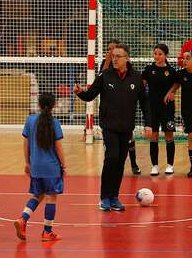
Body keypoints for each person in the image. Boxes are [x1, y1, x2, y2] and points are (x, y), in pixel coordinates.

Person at [74, 44, 152, 211]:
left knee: (120, 162)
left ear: (127, 58)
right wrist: (80, 92)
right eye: (113, 56)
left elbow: (145, 103)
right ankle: (104, 197)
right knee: (112, 158)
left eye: (118, 56)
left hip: (126, 127)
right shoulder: (105, 75)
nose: (114, 59)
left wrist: (149, 124)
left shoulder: (136, 77)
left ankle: (114, 197)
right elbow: (90, 95)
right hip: (109, 125)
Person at [14, 93, 66, 241]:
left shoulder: (30, 120)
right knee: (51, 197)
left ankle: (22, 219)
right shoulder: (54, 122)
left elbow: (25, 144)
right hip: (51, 167)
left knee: (38, 194)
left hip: (36, 166)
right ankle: (47, 232)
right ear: (54, 105)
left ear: (38, 105)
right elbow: (58, 146)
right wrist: (64, 164)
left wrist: (27, 163)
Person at [99, 39, 141, 175]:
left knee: (129, 142)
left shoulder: (132, 72)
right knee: (112, 155)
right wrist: (107, 59)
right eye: (109, 50)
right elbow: (101, 77)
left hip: (125, 116)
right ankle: (107, 190)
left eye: (114, 50)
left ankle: (134, 163)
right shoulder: (106, 68)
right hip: (110, 114)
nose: (111, 53)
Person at [142, 43, 176, 176]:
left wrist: (172, 92)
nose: (157, 56)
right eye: (155, 53)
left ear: (166, 55)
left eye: (160, 54)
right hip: (152, 108)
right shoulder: (149, 69)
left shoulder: (171, 71)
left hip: (167, 108)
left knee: (169, 135)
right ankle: (154, 166)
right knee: (154, 136)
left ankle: (170, 165)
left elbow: (177, 83)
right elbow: (142, 84)